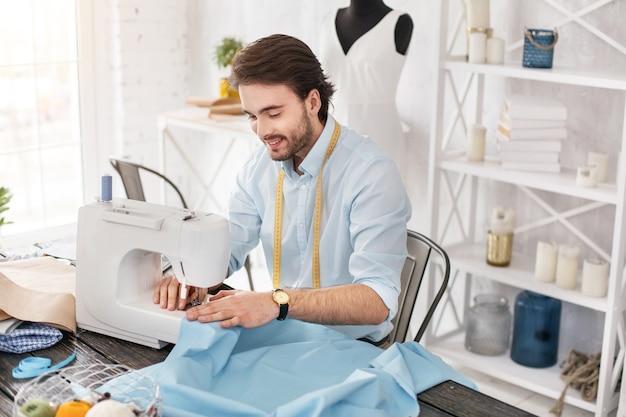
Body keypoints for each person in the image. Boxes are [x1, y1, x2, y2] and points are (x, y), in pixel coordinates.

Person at [154, 33, 412, 344]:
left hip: (352, 350)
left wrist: (275, 302)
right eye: (253, 116)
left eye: (274, 114)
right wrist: (190, 276)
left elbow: (377, 301)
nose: (262, 132)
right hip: (285, 337)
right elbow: (228, 248)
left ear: (312, 102)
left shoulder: (371, 173)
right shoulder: (257, 170)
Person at [318, 0, 413, 179]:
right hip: (330, 129)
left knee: (379, 197)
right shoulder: (327, 20)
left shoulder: (399, 22)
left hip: (379, 131)